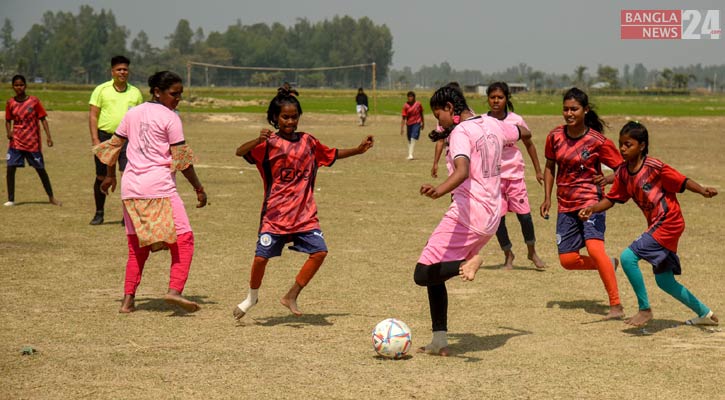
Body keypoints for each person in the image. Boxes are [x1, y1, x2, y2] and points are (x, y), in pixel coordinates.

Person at [233, 86, 374, 320]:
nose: (290, 121)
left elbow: (332, 153)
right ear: (275, 118)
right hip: (275, 215)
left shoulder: (308, 142)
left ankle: (291, 295)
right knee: (260, 258)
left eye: (294, 116)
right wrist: (258, 138)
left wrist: (358, 150)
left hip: (304, 215)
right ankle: (251, 297)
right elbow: (240, 152)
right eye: (285, 117)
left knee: (320, 252)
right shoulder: (267, 144)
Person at [415, 85, 530, 356]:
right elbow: (524, 132)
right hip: (491, 216)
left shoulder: (460, 133)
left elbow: (462, 170)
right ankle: (440, 340)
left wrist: (438, 190)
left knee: (422, 273)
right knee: (434, 272)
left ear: (450, 109)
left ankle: (469, 263)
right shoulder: (492, 122)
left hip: (468, 213)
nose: (438, 122)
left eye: (438, 115)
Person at [579, 121, 719, 327]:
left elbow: (682, 180)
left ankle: (644, 310)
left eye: (629, 144)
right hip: (660, 225)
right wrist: (592, 208)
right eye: (621, 144)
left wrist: (702, 190)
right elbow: (613, 199)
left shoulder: (654, 167)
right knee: (664, 281)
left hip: (668, 221)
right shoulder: (624, 173)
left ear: (642, 146)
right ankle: (705, 314)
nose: (623, 149)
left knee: (627, 257)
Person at [94, 71, 207, 314]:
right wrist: (198, 188)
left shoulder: (132, 113)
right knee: (184, 240)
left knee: (137, 246)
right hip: (159, 188)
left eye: (180, 94)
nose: (178, 99)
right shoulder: (171, 118)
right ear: (157, 91)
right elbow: (182, 160)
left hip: (131, 188)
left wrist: (110, 175)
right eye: (173, 94)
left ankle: (128, 300)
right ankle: (175, 291)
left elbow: (114, 146)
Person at [540, 87, 624, 320]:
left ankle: (616, 306)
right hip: (565, 204)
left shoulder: (598, 141)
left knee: (596, 250)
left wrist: (607, 178)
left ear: (585, 111)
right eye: (566, 109)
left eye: (574, 109)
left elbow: (623, 170)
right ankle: (609, 264)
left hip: (591, 202)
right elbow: (550, 166)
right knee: (568, 260)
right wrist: (547, 197)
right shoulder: (554, 136)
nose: (569, 113)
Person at [486, 82, 545, 270]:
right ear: (488, 99)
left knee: (525, 217)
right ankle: (508, 254)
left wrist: (537, 170)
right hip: (493, 179)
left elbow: (529, 144)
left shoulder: (516, 120)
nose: (496, 101)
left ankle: (532, 252)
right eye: (492, 97)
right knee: (498, 221)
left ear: (506, 99)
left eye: (500, 97)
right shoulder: (483, 121)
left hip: (515, 176)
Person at [88, 55, 144, 225]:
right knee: (101, 176)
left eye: (125, 69)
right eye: (119, 69)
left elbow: (140, 118)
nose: (122, 72)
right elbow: (93, 115)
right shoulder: (101, 90)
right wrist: (95, 139)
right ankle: (99, 212)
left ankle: (126, 216)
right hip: (105, 137)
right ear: (112, 71)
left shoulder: (135, 92)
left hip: (128, 140)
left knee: (127, 175)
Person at [4, 75, 61, 207]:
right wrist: (8, 132)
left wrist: (49, 136)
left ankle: (51, 197)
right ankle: (11, 199)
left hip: (32, 142)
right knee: (10, 168)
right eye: (16, 85)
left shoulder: (34, 102)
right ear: (13, 86)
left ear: (26, 86)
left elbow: (43, 119)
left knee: (40, 169)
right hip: (16, 141)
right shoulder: (10, 103)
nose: (19, 87)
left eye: (21, 85)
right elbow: (8, 120)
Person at [401, 91, 424, 160]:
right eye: (409, 97)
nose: (410, 98)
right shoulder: (405, 106)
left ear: (414, 97)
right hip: (409, 124)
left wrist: (423, 123)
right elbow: (403, 117)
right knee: (409, 139)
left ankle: (411, 154)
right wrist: (402, 128)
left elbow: (421, 113)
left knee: (413, 137)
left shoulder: (418, 104)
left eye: (411, 96)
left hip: (417, 123)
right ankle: (409, 153)